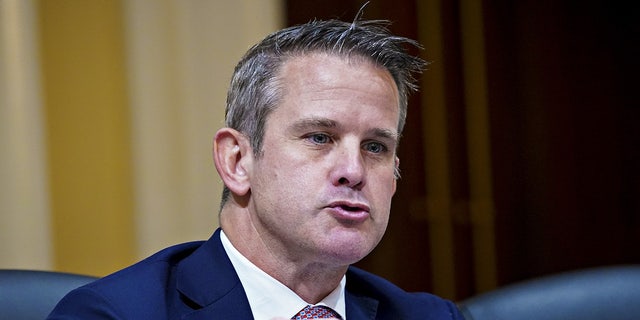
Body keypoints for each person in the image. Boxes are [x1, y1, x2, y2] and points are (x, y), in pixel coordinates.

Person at [47, 18, 464, 320]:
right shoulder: (114, 315)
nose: (353, 171)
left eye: (375, 146)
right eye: (320, 137)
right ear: (237, 161)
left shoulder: (431, 317)